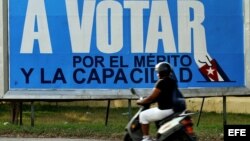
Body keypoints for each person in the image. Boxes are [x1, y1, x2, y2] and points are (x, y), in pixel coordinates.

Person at [136, 62, 179, 141]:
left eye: (157, 72)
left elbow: (151, 98)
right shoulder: (173, 81)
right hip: (172, 109)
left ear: (161, 72)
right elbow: (164, 95)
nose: (157, 74)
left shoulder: (161, 82)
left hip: (164, 110)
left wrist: (140, 102)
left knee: (143, 115)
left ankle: (146, 138)